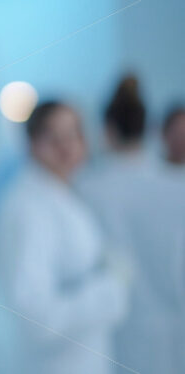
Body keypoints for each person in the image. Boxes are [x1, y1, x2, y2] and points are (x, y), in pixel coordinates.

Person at [0, 101, 128, 374]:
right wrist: (108, 291)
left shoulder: (62, 192)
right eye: (52, 136)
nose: (65, 146)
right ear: (31, 143)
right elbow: (36, 318)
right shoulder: (29, 209)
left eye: (74, 134)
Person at [76, 78, 185, 373]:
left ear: (106, 131)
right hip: (175, 331)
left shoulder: (87, 189)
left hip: (117, 329)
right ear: (150, 130)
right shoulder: (176, 184)